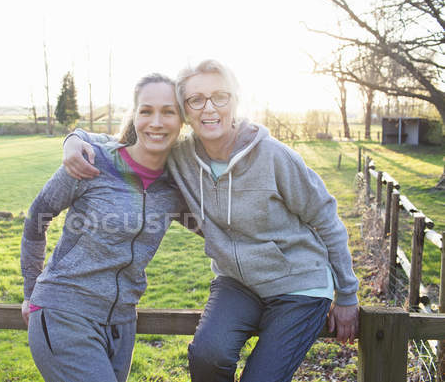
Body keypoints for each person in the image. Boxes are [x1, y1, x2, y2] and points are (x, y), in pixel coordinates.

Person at [62, 59, 359, 382]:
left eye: (220, 96)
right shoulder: (180, 156)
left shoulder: (275, 157)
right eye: (196, 100)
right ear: (186, 111)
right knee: (207, 355)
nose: (209, 108)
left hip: (300, 285)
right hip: (237, 282)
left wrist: (347, 295)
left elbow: (326, 219)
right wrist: (75, 139)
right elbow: (125, 144)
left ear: (235, 100)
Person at [21, 73, 198, 382]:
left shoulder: (174, 187)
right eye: (146, 111)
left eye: (168, 111)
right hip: (65, 314)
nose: (156, 121)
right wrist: (29, 288)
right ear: (135, 115)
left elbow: (217, 231)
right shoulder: (91, 162)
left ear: (182, 120)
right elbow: (38, 216)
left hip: (121, 324)